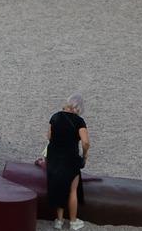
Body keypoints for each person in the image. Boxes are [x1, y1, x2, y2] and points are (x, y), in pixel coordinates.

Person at [46, 94, 90, 230]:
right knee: (72, 190)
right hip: (70, 159)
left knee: (59, 187)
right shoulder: (79, 121)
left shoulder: (55, 117)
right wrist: (85, 154)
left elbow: (49, 136)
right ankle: (73, 221)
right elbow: (86, 142)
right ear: (79, 107)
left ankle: (58, 221)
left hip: (54, 157)